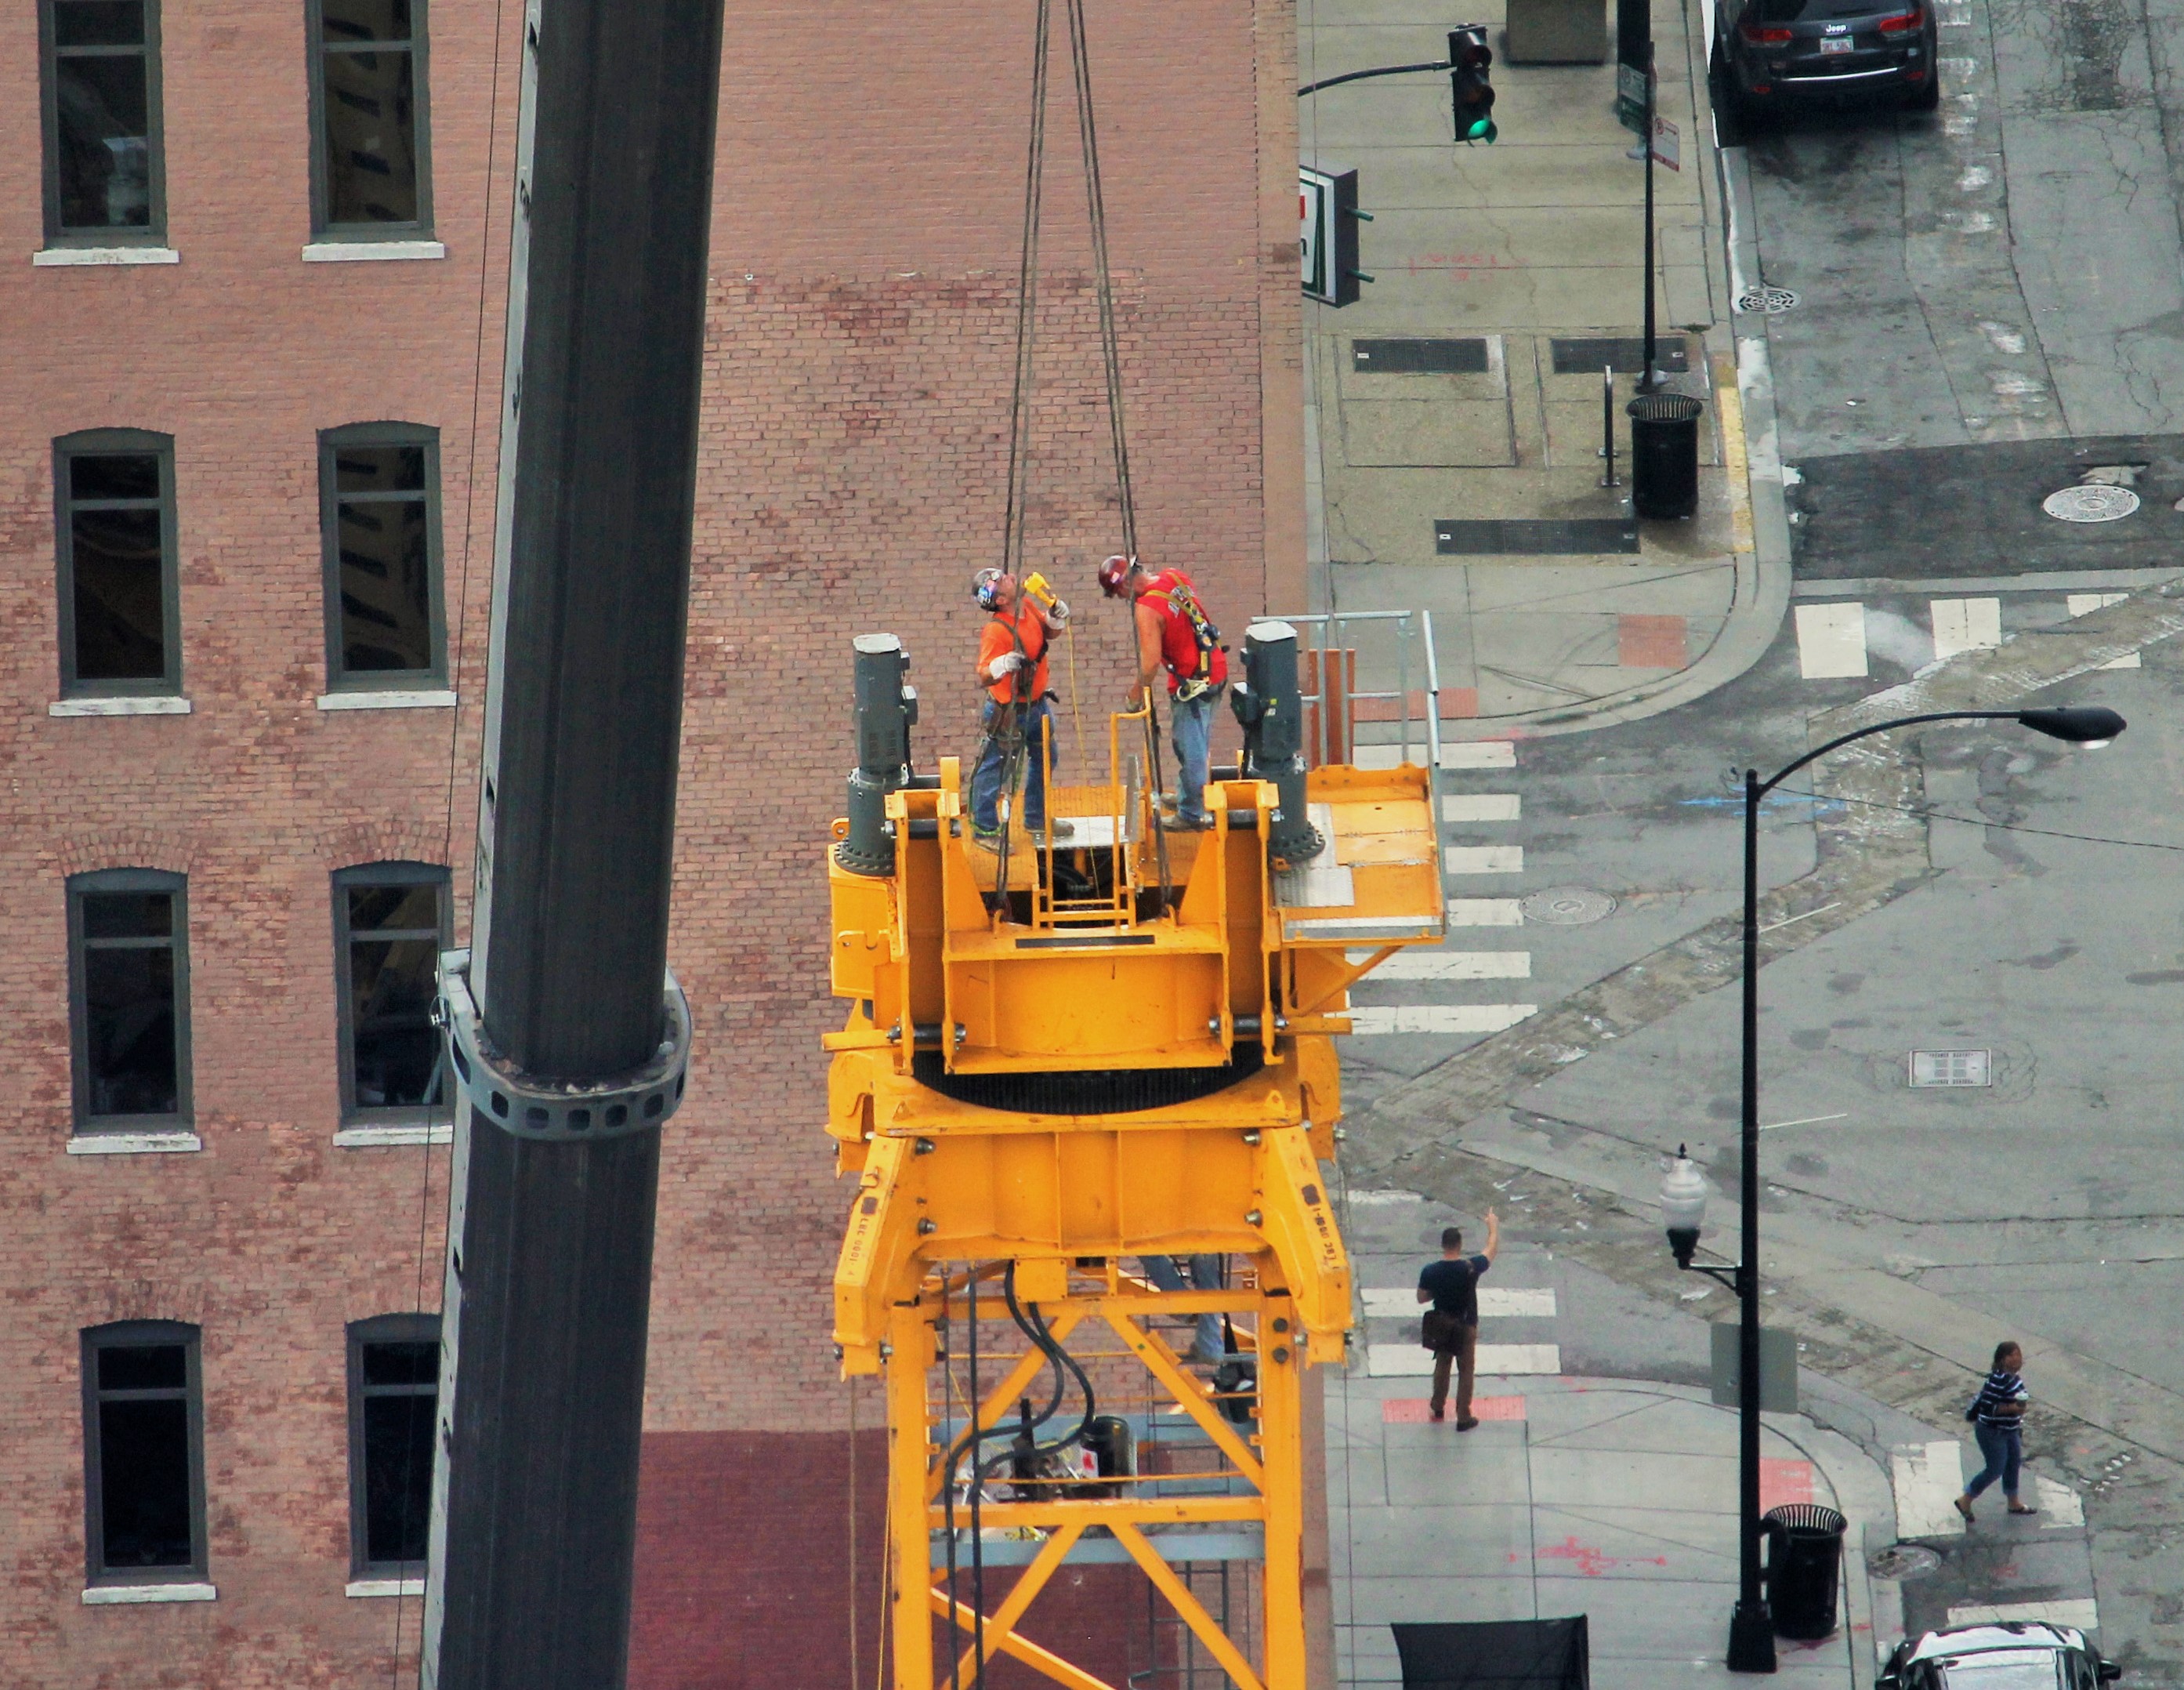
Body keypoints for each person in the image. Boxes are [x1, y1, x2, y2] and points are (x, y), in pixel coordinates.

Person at [1097, 554, 1230, 829]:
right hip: (1215, 669)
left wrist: (1134, 696)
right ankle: (1187, 797)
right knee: (1197, 742)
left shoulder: (1146, 608)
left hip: (1193, 685)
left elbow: (1149, 665)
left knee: (1190, 748)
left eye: (1119, 594)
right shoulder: (1175, 576)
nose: (1123, 599)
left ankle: (1192, 814)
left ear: (1123, 587)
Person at [969, 568, 1070, 843]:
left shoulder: (1026, 606)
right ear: (1000, 599)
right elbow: (983, 674)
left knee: (1046, 760)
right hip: (1008, 712)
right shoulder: (996, 631)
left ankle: (1036, 819)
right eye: (1004, 580)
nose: (1011, 576)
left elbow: (1046, 635)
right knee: (995, 769)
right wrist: (1003, 665)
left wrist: (1054, 618)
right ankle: (985, 829)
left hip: (1037, 707)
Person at [1416, 1211, 1499, 1427]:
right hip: (1466, 1325)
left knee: (1443, 1365)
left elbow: (1422, 1298)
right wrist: (1493, 1227)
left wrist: (1439, 1291)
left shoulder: (1431, 1271)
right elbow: (1491, 1251)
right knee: (1466, 1370)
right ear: (1459, 1245)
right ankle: (1463, 1415)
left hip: (1442, 1325)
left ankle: (1438, 1404)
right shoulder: (1470, 1268)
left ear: (1443, 1245)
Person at [1956, 1340, 2035, 1522]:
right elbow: (1987, 1408)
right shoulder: (1998, 1380)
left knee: (2013, 1463)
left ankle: (2013, 1502)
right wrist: (2013, 1409)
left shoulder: (2013, 1377)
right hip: (1992, 1432)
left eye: (2018, 1355)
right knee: (1995, 1468)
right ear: (2002, 1359)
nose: (2017, 1359)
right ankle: (1965, 1499)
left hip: (2010, 1430)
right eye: (2012, 1355)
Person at [1138, 1253, 1227, 1366]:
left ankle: (1183, 1306)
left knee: (1149, 1253)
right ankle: (1211, 1348)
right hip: (1210, 1239)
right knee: (1207, 1274)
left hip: (1165, 1239)